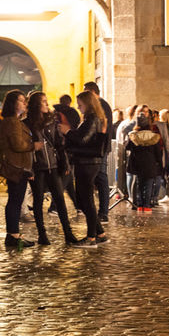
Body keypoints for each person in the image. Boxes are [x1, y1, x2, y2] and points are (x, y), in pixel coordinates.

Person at [25, 92, 80, 245]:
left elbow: (59, 144)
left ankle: (68, 233)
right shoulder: (26, 123)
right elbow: (26, 147)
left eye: (46, 101)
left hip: (53, 166)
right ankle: (42, 234)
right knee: (38, 201)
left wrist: (65, 163)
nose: (47, 104)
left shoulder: (51, 121)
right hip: (37, 167)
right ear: (36, 104)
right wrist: (29, 169)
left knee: (60, 200)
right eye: (43, 102)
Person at [61, 90, 109, 246]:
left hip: (87, 163)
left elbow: (82, 140)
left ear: (88, 104)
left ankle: (91, 237)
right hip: (87, 162)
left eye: (80, 104)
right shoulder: (91, 118)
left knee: (86, 200)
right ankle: (100, 233)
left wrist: (67, 131)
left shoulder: (92, 119)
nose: (78, 107)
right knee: (84, 199)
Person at [0, 91, 36, 249]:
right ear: (13, 103)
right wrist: (34, 145)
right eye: (21, 101)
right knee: (14, 201)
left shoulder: (17, 121)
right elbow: (18, 145)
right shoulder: (11, 121)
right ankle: (13, 235)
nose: (24, 103)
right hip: (16, 167)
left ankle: (14, 234)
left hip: (21, 166)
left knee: (16, 200)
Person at [84, 82, 114, 222]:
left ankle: (103, 212)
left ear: (92, 91)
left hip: (100, 147)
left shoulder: (101, 105)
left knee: (101, 177)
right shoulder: (99, 105)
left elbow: (102, 127)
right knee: (98, 177)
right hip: (98, 147)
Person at [124, 112, 164, 212]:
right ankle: (147, 206)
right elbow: (157, 152)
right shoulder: (153, 136)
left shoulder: (134, 136)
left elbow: (128, 147)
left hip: (138, 164)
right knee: (149, 184)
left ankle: (140, 204)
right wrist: (159, 162)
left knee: (139, 184)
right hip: (150, 164)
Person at [155, 109, 169, 202]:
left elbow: (165, 141)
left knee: (164, 173)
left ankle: (166, 194)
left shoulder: (161, 127)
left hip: (166, 153)